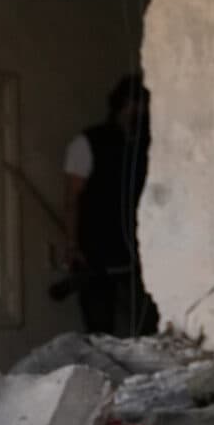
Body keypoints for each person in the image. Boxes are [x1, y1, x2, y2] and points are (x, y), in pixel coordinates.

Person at [61, 75, 154, 336]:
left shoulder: (151, 144)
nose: (138, 113)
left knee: (148, 326)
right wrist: (72, 244)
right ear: (121, 105)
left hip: (142, 253)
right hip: (96, 251)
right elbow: (72, 199)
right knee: (100, 328)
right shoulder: (88, 143)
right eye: (133, 105)